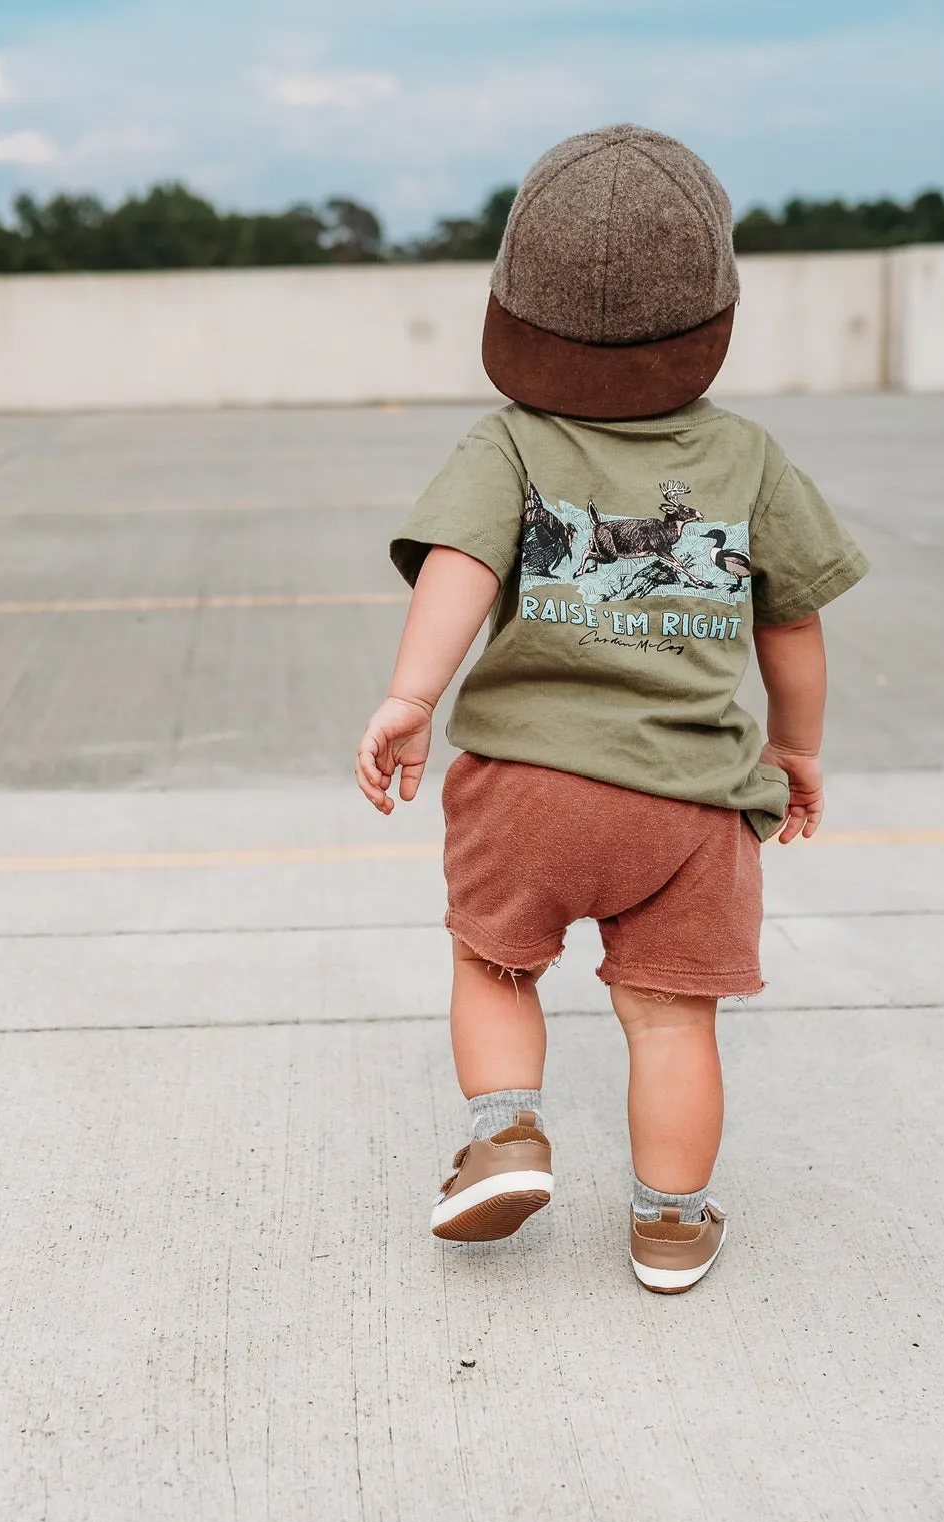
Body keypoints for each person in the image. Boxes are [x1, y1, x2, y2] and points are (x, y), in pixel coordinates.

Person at [355, 125, 868, 1294]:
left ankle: (503, 1132)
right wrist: (794, 748)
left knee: (494, 967)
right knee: (672, 1020)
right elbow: (793, 625)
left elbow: (458, 568)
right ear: (712, 318)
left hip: (526, 787)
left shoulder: (508, 444)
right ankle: (670, 1222)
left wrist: (408, 695)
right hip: (687, 809)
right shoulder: (747, 458)